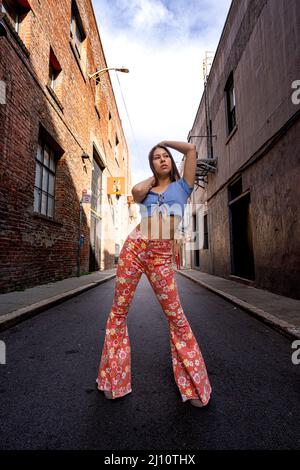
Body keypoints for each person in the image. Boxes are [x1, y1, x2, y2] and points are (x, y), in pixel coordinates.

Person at [96, 140, 212, 408]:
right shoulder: (146, 190)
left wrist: (165, 144)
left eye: (165, 157)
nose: (162, 159)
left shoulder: (183, 186)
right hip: (136, 246)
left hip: (161, 256)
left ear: (172, 160)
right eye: (156, 157)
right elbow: (135, 192)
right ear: (152, 165)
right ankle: (114, 380)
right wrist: (155, 175)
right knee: (118, 311)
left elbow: (191, 151)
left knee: (177, 317)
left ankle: (193, 386)